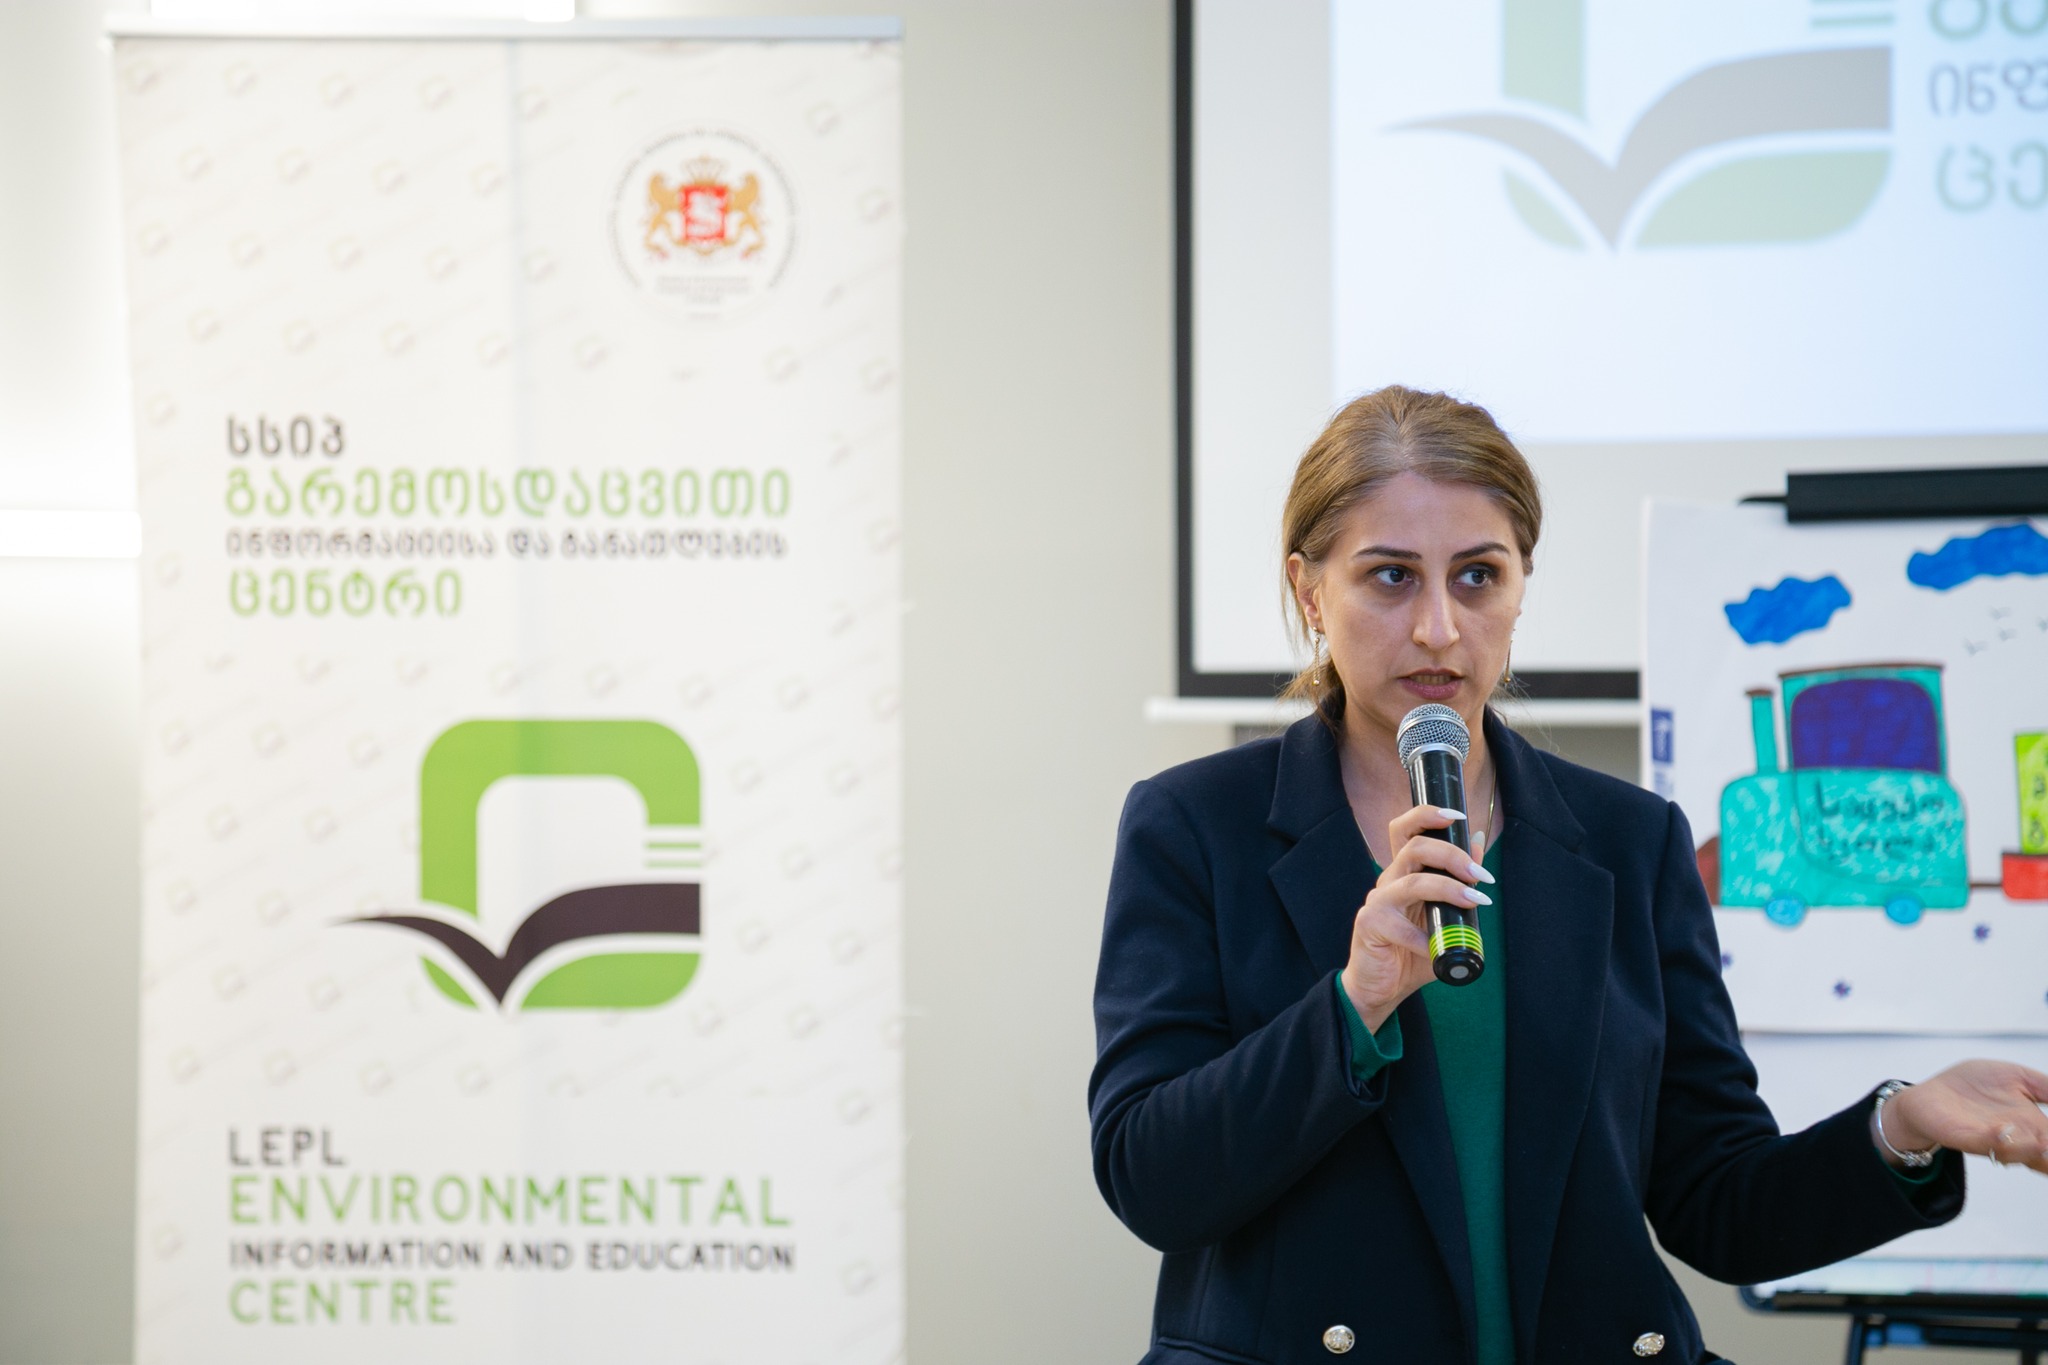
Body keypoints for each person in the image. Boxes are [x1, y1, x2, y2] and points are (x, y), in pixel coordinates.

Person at [1088, 386, 2048, 1365]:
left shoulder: (1629, 842)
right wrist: (1353, 1005)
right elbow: (1150, 1179)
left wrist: (1902, 1124)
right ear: (1308, 592)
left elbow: (1718, 1201)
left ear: (1520, 587)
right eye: (1389, 577)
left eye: (1477, 576)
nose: (1437, 627)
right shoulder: (1195, 826)